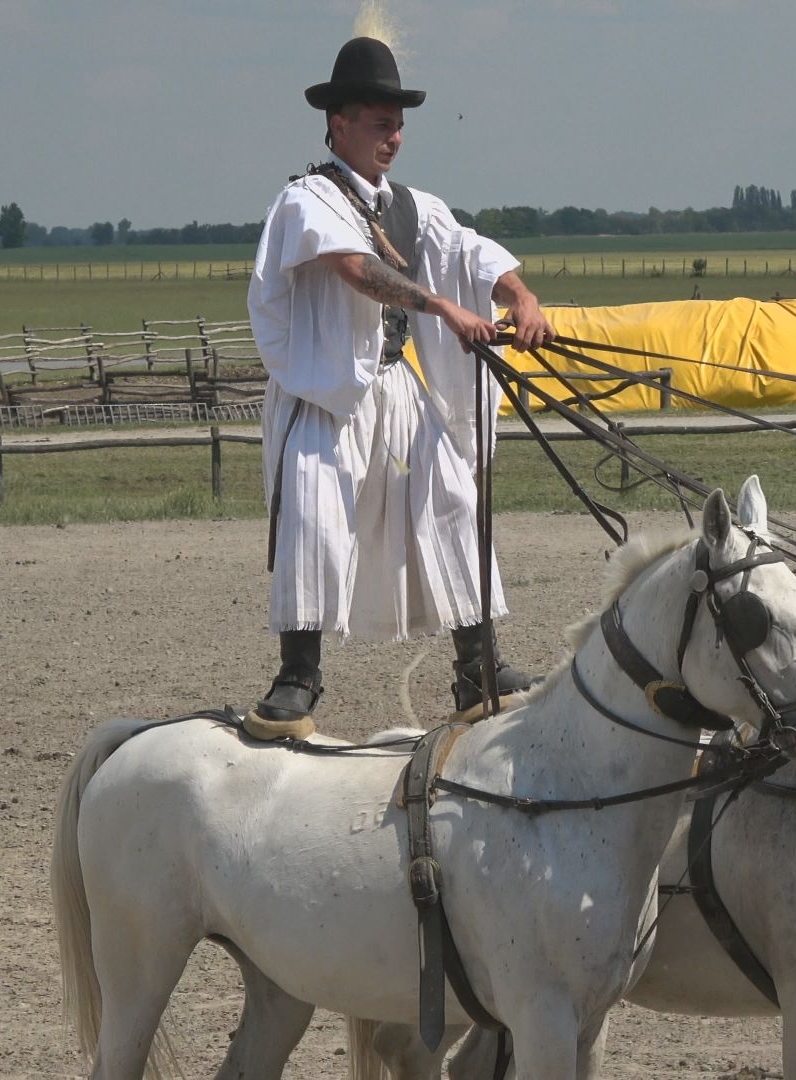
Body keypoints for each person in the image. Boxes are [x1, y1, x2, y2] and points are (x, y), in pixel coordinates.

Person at [243, 36, 553, 741]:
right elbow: (354, 268)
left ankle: (478, 668)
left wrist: (520, 297)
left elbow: (470, 254)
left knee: (451, 494)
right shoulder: (306, 200)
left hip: (395, 390)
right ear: (340, 123)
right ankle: (298, 678)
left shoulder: (413, 207)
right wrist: (442, 308)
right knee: (315, 521)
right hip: (326, 396)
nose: (393, 135)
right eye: (379, 122)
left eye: (398, 122)